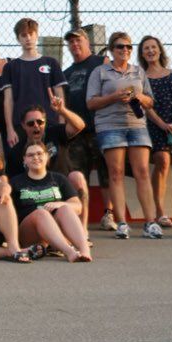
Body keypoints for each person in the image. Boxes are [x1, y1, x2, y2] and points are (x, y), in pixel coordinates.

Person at [87, 31, 160, 239]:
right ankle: (121, 223)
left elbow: (151, 102)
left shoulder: (138, 72)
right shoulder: (100, 72)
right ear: (111, 50)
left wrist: (139, 97)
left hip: (136, 124)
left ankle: (150, 222)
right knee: (116, 173)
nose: (125, 50)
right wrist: (114, 97)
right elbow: (91, 102)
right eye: (120, 46)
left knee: (143, 172)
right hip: (110, 125)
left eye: (128, 47)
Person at [5, 98, 90, 233]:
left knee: (77, 177)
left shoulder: (56, 133)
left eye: (40, 122)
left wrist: (62, 110)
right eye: (31, 123)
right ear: (23, 125)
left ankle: (83, 230)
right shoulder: (17, 151)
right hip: (35, 197)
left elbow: (79, 126)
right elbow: (12, 183)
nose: (36, 126)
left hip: (61, 190)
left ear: (45, 122)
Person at [139, 35, 172, 228]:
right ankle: (160, 212)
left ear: (160, 50)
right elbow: (146, 107)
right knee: (162, 161)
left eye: (153, 47)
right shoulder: (141, 77)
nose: (151, 51)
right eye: (146, 48)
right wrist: (162, 125)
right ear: (142, 54)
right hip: (155, 127)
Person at [11, 142, 93, 262]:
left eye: (39, 153)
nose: (35, 157)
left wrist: (60, 204)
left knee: (65, 208)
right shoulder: (16, 182)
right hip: (30, 234)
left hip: (57, 231)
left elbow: (78, 206)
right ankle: (69, 252)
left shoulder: (59, 179)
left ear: (47, 156)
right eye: (30, 155)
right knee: (41, 213)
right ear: (25, 159)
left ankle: (84, 250)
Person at [60, 27, 109, 228]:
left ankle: (110, 214)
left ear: (87, 42)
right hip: (77, 132)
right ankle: (81, 220)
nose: (74, 45)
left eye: (78, 40)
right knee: (79, 175)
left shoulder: (101, 62)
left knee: (107, 172)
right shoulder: (66, 73)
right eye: (70, 42)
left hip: (101, 126)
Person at [2, 17, 66, 147]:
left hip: (49, 122)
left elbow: (59, 94)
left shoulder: (50, 62)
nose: (28, 38)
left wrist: (62, 121)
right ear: (18, 38)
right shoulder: (11, 66)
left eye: (31, 34)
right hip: (20, 126)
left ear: (36, 35)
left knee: (51, 162)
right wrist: (9, 129)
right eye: (23, 35)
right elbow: (8, 100)